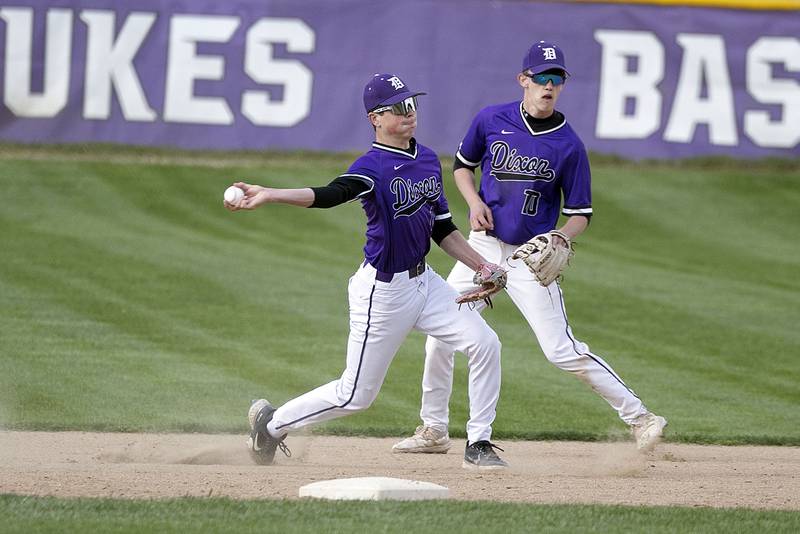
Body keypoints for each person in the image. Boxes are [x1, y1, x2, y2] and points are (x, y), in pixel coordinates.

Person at [393, 41, 667, 455]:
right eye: (542, 77)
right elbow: (464, 167)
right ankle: (433, 430)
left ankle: (642, 417)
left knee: (560, 350)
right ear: (524, 80)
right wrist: (473, 201)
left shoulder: (569, 145)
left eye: (557, 79)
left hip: (529, 258)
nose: (549, 85)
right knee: (440, 339)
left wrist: (560, 237)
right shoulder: (491, 119)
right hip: (481, 249)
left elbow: (580, 213)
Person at [225, 73, 508, 470]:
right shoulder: (371, 167)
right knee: (354, 395)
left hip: (426, 284)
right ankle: (272, 426)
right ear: (375, 118)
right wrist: (271, 193)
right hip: (383, 293)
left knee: (485, 343)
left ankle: (478, 445)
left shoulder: (426, 158)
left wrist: (482, 266)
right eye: (398, 108)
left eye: (412, 105)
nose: (409, 113)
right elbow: (328, 195)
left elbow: (441, 226)